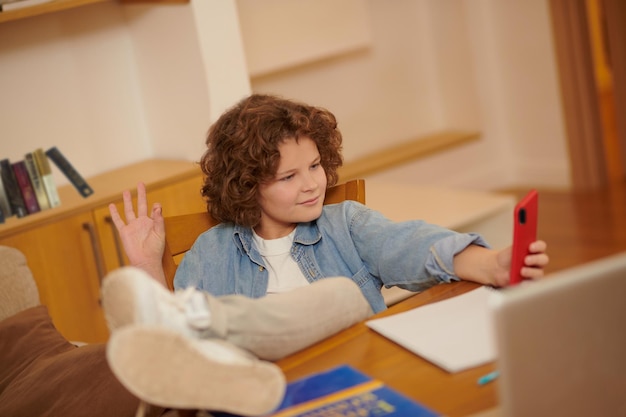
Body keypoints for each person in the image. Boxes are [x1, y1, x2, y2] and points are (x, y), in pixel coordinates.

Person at [104, 93, 549, 415]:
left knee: (339, 295)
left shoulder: (344, 223)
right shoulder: (213, 250)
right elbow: (171, 347)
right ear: (247, 185)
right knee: (199, 345)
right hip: (264, 397)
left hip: (347, 388)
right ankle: (232, 363)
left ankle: (217, 329)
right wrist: (146, 266)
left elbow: (412, 245)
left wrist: (492, 265)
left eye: (314, 166)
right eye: (289, 176)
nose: (312, 184)